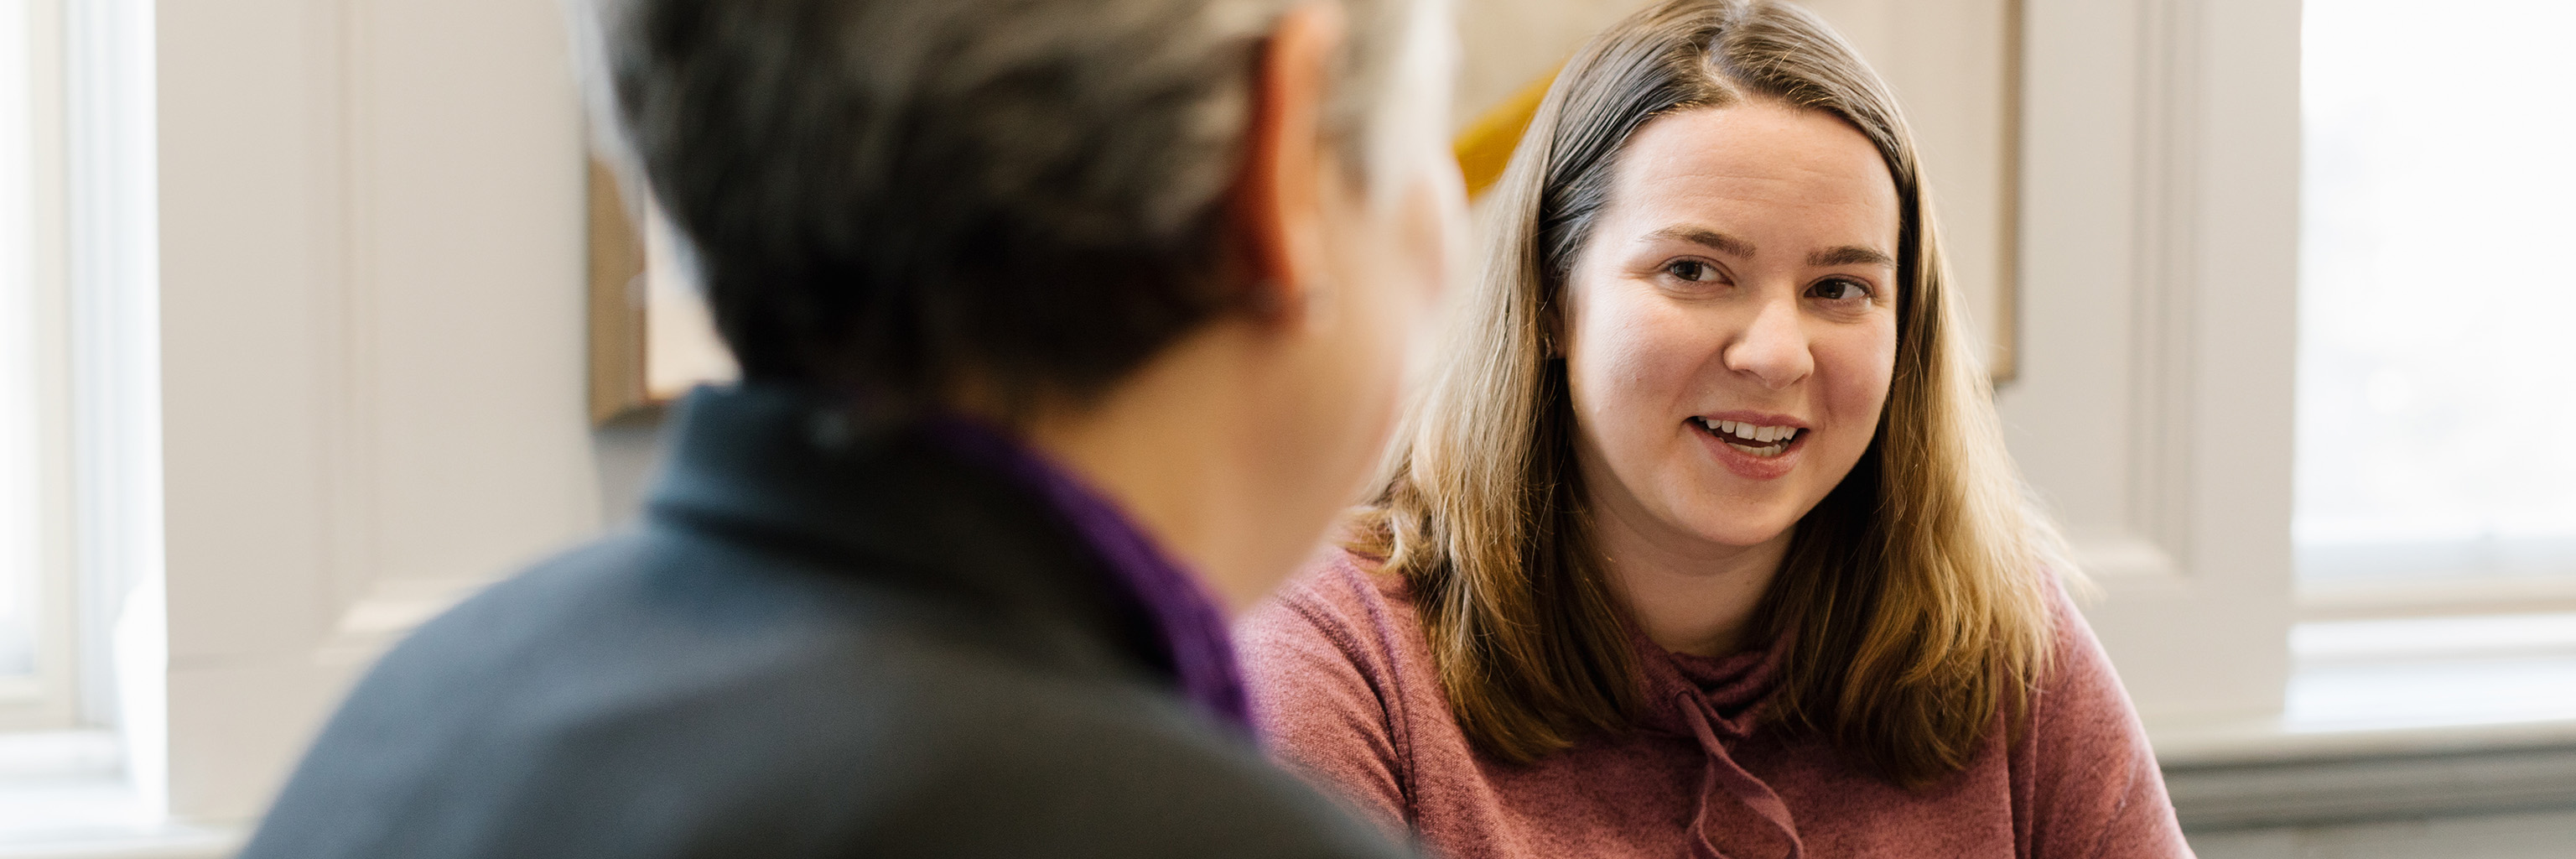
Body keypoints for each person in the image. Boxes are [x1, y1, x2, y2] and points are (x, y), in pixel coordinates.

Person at [240, 0, 1464, 855]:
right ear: (1281, 161)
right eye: (1430, 123)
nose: (1447, 217)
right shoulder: (1190, 836)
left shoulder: (424, 707)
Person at [1239, 1, 2193, 856]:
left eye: (1840, 288)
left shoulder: (2004, 644)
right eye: (1695, 271)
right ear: (1548, 302)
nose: (1777, 354)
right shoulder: (1337, 656)